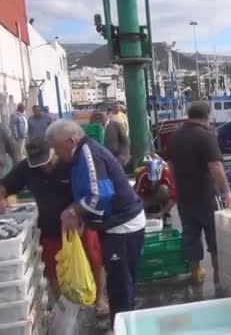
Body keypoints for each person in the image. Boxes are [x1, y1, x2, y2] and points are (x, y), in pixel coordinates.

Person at [0, 138, 109, 314]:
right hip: (50, 227)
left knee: (95, 259)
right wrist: (0, 199)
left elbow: (92, 192)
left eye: (45, 162)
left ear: (53, 151)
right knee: (54, 268)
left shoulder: (71, 163)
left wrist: (78, 214)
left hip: (80, 222)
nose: (43, 167)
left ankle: (99, 299)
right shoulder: (26, 168)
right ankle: (63, 307)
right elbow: (1, 187)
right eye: (38, 163)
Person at [45, 119, 145, 323]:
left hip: (123, 226)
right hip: (114, 225)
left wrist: (73, 212)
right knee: (119, 282)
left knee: (120, 286)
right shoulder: (78, 156)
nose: (55, 153)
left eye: (56, 148)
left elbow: (100, 195)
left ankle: (123, 326)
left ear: (71, 141)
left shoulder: (89, 155)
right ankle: (123, 323)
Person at [167, 101, 231, 285]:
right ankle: (218, 279)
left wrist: (177, 187)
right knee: (215, 239)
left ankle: (196, 274)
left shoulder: (175, 136)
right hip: (206, 197)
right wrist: (227, 192)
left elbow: (171, 166)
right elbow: (215, 166)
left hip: (184, 197)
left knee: (190, 237)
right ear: (206, 117)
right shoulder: (206, 136)